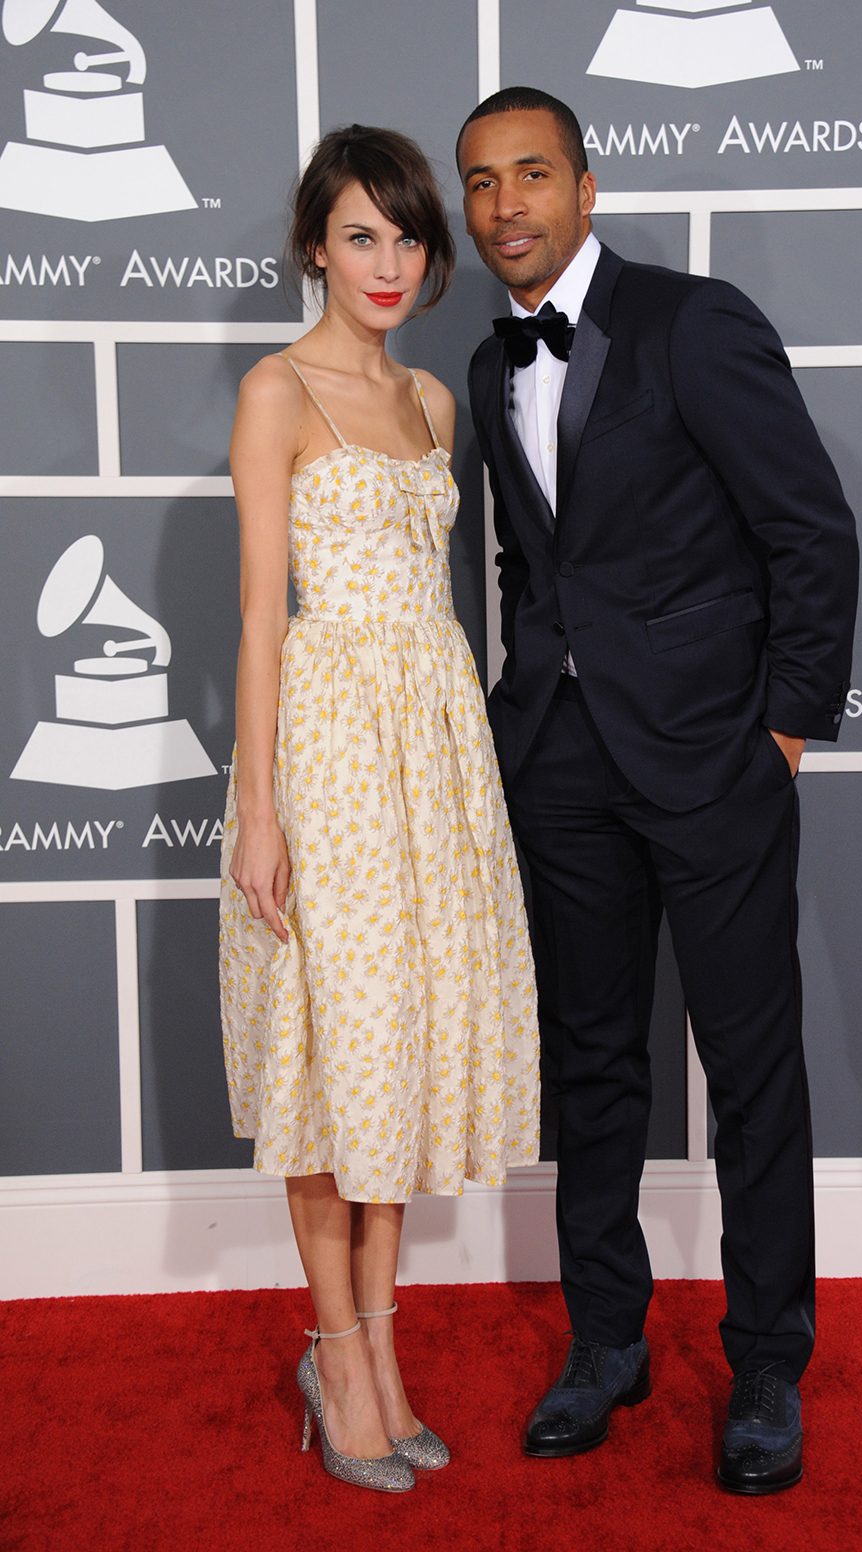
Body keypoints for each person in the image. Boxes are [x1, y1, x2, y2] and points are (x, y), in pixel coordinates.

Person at [459, 87, 858, 1493]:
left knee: (750, 1071)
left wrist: (788, 728)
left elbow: (809, 527)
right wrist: (523, 721)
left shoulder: (694, 320)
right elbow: (532, 571)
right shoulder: (487, 364)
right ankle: (608, 1344)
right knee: (595, 1065)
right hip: (560, 768)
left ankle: (763, 1367)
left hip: (711, 756)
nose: (504, 205)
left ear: (582, 182)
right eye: (480, 183)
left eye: (529, 175)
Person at [219, 123, 539, 1495]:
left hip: (436, 752)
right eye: (362, 235)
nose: (391, 261)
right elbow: (255, 616)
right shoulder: (277, 393)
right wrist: (259, 810)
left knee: (394, 1061)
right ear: (315, 246)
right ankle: (334, 1357)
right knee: (323, 1068)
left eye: (410, 237)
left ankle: (384, 1357)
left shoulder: (434, 403)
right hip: (328, 754)